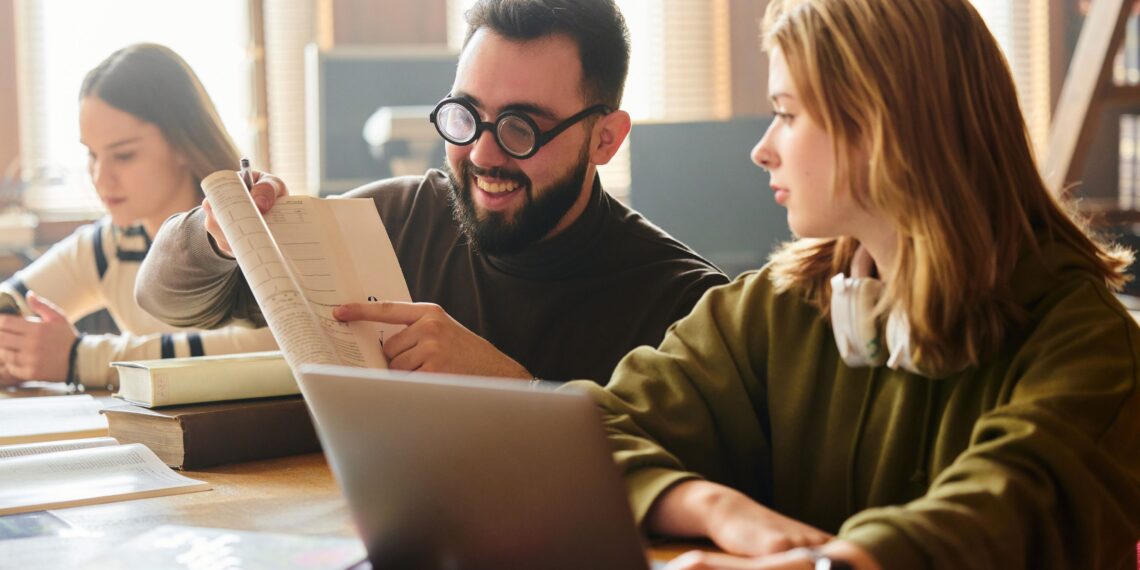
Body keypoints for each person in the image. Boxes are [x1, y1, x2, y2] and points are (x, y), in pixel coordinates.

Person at [572, 0, 1140, 568]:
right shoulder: (776, 307)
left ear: (884, 127)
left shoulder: (1092, 346)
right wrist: (714, 507)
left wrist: (831, 564)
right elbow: (586, 435)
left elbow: (996, 517)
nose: (762, 148)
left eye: (788, 114)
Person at [136, 0, 728, 383]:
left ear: (605, 139)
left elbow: (700, 481)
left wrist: (514, 390)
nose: (482, 155)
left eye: (523, 127)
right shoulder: (392, 222)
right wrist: (217, 233)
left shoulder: (684, 305)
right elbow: (166, 298)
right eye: (465, 115)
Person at [0, 43, 276, 390]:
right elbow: (9, 304)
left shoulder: (248, 231)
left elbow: (267, 347)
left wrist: (81, 358)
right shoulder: (108, 246)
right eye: (92, 155)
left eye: (124, 155)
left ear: (182, 143)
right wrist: (16, 351)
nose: (100, 178)